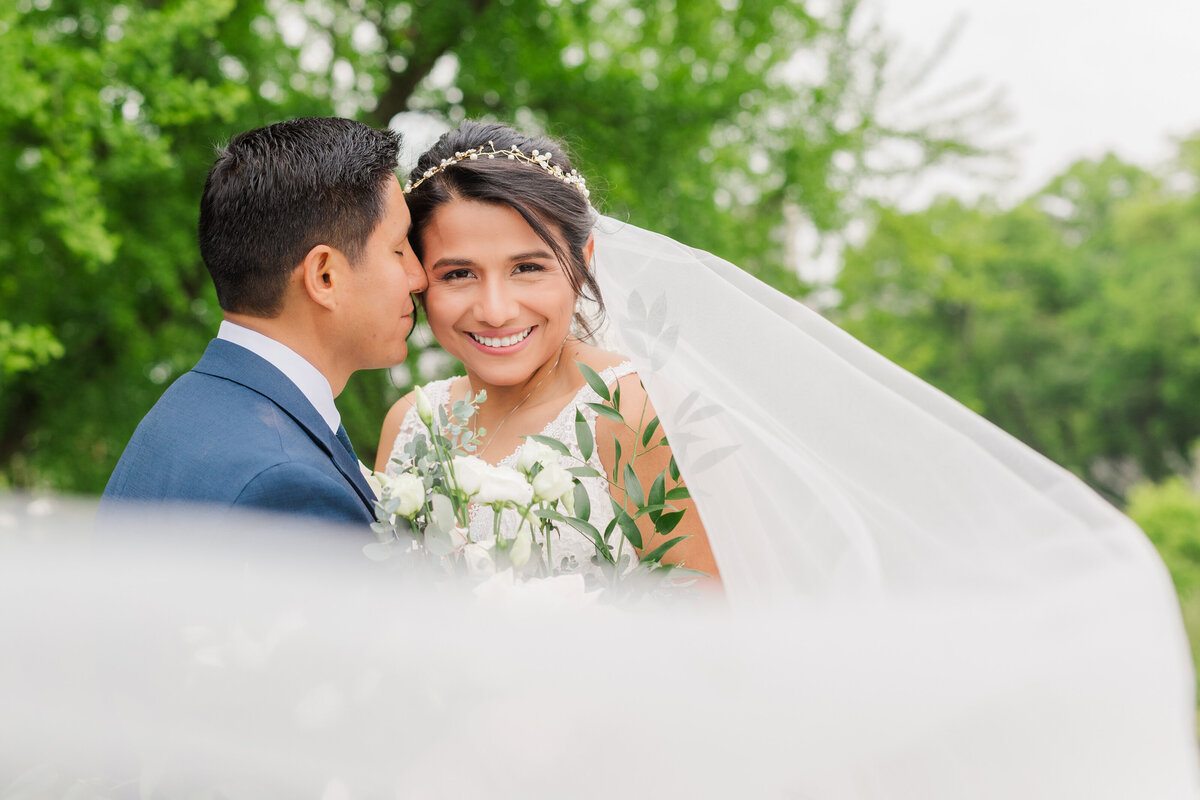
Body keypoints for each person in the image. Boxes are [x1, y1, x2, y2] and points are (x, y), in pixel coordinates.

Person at [376, 121, 720, 580]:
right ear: (419, 276)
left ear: (581, 262)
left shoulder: (635, 414)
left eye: (527, 267)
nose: (495, 312)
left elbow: (713, 631)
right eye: (459, 274)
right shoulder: (410, 424)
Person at [101, 117, 427, 527]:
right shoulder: (288, 487)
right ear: (324, 276)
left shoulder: (183, 409)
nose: (419, 277)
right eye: (400, 249)